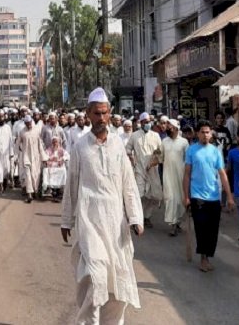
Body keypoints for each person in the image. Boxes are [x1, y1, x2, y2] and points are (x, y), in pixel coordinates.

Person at [61, 87, 144, 324]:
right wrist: (67, 220)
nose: (100, 118)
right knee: (95, 278)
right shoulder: (80, 147)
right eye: (96, 113)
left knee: (119, 284)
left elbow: (128, 184)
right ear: (88, 114)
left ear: (110, 114)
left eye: (104, 113)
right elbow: (72, 186)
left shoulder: (118, 146)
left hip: (116, 225)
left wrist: (135, 217)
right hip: (89, 223)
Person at [183, 120, 236, 273]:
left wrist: (230, 197)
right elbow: (186, 174)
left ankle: (207, 254)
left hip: (214, 196)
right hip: (197, 195)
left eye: (208, 132)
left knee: (213, 229)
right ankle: (203, 258)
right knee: (201, 227)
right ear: (197, 133)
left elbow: (222, 174)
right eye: (202, 132)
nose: (205, 135)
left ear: (211, 133)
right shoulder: (192, 151)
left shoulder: (215, 151)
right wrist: (186, 196)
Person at [125, 112, 162, 228]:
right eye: (145, 122)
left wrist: (154, 160)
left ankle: (147, 216)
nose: (148, 124)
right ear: (141, 123)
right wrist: (132, 159)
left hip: (153, 170)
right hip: (139, 170)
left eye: (149, 121)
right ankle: (137, 218)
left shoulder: (156, 135)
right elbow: (127, 149)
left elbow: (160, 151)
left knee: (155, 196)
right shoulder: (135, 135)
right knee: (139, 194)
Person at [160, 119, 188, 236]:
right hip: (168, 175)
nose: (168, 129)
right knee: (170, 198)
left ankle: (177, 222)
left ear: (177, 128)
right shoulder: (164, 141)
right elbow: (160, 156)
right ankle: (172, 224)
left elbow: (188, 160)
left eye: (170, 127)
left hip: (180, 176)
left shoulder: (184, 142)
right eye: (167, 127)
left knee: (180, 200)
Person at [18, 115, 47, 203]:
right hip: (26, 156)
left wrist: (44, 157)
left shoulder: (36, 130)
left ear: (31, 122)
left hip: (36, 157)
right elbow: (17, 144)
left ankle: (35, 191)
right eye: (27, 123)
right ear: (25, 123)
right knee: (28, 175)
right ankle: (29, 194)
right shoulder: (22, 132)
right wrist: (16, 156)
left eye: (30, 123)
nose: (29, 124)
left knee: (36, 175)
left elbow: (40, 145)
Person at [0, 109, 14, 192]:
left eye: (2, 117)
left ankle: (4, 184)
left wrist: (11, 152)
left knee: (6, 170)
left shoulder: (8, 128)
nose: (1, 118)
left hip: (6, 153)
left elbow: (10, 140)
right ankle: (1, 186)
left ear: (4, 117)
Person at [42, 136, 68, 202]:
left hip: (59, 166)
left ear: (58, 142)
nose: (55, 143)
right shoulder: (49, 149)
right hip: (51, 166)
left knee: (63, 170)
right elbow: (44, 156)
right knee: (46, 171)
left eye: (56, 142)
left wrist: (62, 159)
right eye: (53, 142)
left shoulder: (61, 150)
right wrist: (51, 158)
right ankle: (50, 190)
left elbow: (67, 156)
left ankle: (59, 191)